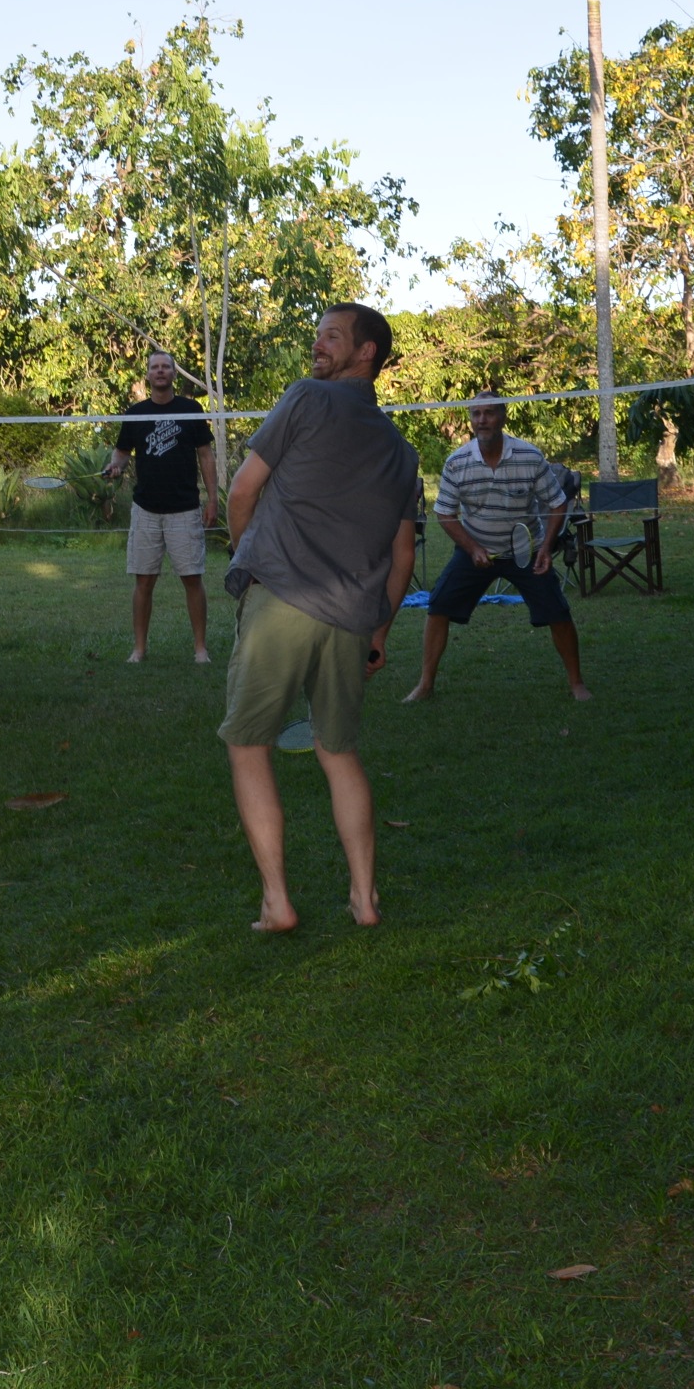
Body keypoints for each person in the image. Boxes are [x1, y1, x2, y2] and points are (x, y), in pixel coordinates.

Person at [217, 302, 419, 932]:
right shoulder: (403, 452)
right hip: (352, 620)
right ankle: (364, 900)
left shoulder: (305, 397)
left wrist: (248, 557)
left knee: (248, 743)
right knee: (339, 752)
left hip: (281, 599)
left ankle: (277, 903)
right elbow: (403, 556)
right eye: (318, 336)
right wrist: (379, 632)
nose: (318, 345)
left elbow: (242, 490)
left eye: (332, 336)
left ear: (367, 352)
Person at [407, 391, 592, 703]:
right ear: (471, 419)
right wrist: (472, 548)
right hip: (475, 550)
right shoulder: (457, 462)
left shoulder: (529, 456)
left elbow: (557, 503)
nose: (482, 420)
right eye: (476, 414)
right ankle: (425, 685)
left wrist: (546, 548)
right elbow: (445, 513)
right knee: (438, 607)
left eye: (489, 413)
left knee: (558, 613)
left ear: (503, 417)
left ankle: (577, 684)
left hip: (526, 551)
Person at [106, 348, 219, 663]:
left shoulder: (190, 409)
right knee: (143, 580)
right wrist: (115, 467)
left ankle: (200, 649)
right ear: (147, 374)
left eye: (165, 367)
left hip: (185, 508)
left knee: (192, 578)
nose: (159, 371)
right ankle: (139, 650)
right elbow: (122, 454)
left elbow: (205, 456)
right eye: (154, 367)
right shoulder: (135, 413)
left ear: (173, 373)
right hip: (146, 510)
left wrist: (212, 499)